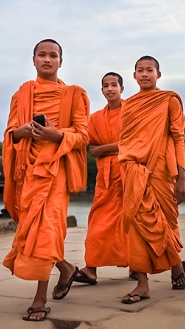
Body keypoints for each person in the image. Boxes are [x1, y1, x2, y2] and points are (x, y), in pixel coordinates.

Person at [2, 39, 89, 322]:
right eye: (42, 55)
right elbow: (10, 134)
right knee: (34, 231)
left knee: (47, 230)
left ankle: (39, 298)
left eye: (53, 55)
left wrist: (57, 136)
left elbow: (83, 135)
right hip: (28, 171)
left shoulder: (74, 94)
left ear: (61, 61)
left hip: (55, 171)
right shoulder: (22, 94)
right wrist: (23, 131)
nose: (47, 59)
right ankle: (65, 269)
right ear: (34, 59)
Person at [117, 56, 185, 304]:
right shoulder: (129, 104)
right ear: (134, 76)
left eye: (149, 70)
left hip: (162, 170)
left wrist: (181, 177)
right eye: (140, 70)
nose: (145, 74)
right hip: (134, 168)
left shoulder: (169, 100)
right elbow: (125, 139)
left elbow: (178, 137)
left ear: (159, 74)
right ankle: (142, 284)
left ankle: (176, 265)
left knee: (164, 223)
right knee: (137, 224)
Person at [75, 72, 128, 286]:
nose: (110, 89)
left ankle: (137, 264)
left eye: (114, 85)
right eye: (106, 85)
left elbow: (140, 141)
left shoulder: (133, 112)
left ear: (122, 88)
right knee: (97, 221)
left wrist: (107, 148)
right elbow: (86, 142)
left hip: (130, 174)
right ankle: (91, 268)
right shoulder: (95, 118)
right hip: (106, 178)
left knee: (132, 222)